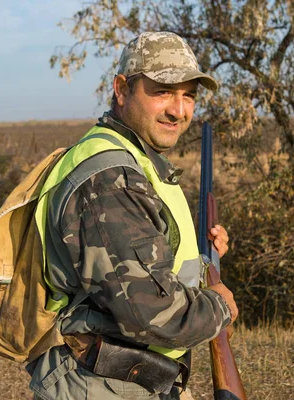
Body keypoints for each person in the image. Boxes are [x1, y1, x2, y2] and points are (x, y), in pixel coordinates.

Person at [27, 31, 238, 400]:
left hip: (133, 380)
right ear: (122, 90)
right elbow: (150, 312)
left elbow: (146, 263)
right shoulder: (110, 180)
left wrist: (204, 261)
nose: (179, 109)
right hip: (104, 386)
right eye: (162, 91)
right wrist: (220, 306)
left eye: (188, 94)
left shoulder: (133, 158)